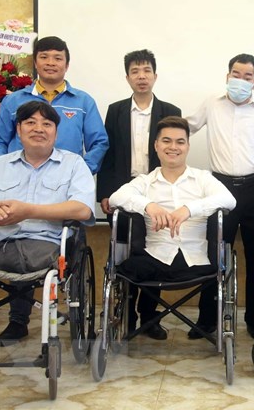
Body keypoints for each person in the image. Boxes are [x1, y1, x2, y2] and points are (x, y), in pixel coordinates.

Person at [0, 101, 96, 346]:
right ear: (19, 130)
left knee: (28, 256)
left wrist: (29, 212)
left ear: (56, 132)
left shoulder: (74, 164)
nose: (38, 128)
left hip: (46, 247)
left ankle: (19, 320)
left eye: (47, 124)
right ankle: (16, 321)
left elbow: (82, 209)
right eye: (30, 122)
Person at [109, 116, 236, 339]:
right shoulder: (145, 181)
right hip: (155, 257)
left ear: (187, 146)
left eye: (180, 141)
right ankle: (145, 320)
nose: (173, 147)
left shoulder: (202, 179)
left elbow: (229, 200)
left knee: (218, 265)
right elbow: (115, 198)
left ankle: (206, 323)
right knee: (128, 266)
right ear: (156, 145)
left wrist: (189, 209)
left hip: (196, 260)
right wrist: (148, 205)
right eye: (166, 141)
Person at [187, 53, 254, 339]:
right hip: (220, 187)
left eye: (247, 76)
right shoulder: (211, 104)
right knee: (213, 254)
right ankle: (207, 320)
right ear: (227, 76)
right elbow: (187, 127)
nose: (240, 80)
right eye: (236, 74)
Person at [97, 49, 181, 340]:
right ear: (127, 77)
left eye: (146, 71)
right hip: (125, 192)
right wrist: (105, 193)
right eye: (135, 71)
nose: (141, 76)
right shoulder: (116, 110)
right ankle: (126, 316)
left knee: (156, 253)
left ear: (155, 76)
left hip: (157, 193)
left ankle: (149, 316)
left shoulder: (170, 110)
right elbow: (108, 154)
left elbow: (174, 154)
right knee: (125, 254)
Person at [0, 36, 108, 174]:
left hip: (66, 178)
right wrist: (2, 169)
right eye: (44, 57)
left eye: (57, 58)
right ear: (35, 63)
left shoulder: (84, 102)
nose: (50, 63)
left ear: (67, 65)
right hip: (19, 176)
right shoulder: (13, 101)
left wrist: (82, 171)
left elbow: (99, 142)